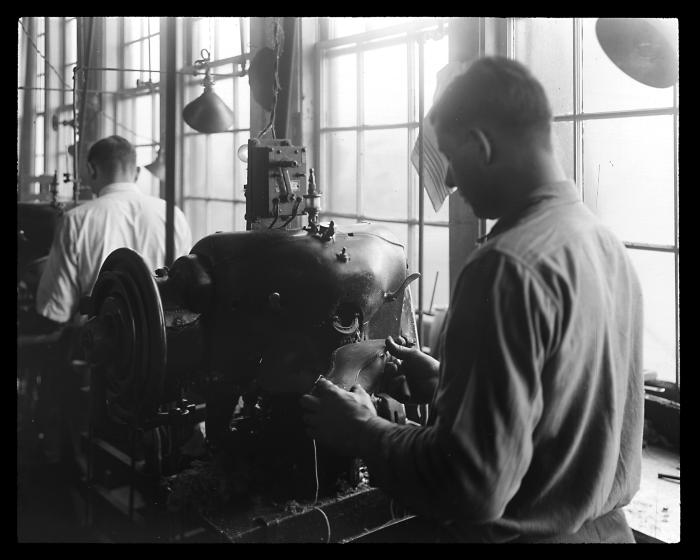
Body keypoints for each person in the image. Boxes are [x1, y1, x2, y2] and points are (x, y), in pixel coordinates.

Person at [300, 57, 644, 543]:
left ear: (481, 146)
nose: (454, 184)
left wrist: (363, 430)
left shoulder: (505, 266)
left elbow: (472, 484)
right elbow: (561, 407)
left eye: (453, 162)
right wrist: (447, 385)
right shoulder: (605, 246)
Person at [35, 135, 192, 325]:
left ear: (92, 170)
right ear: (137, 173)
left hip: (100, 345)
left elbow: (56, 308)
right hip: (163, 340)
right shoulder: (174, 215)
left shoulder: (76, 220)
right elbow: (183, 288)